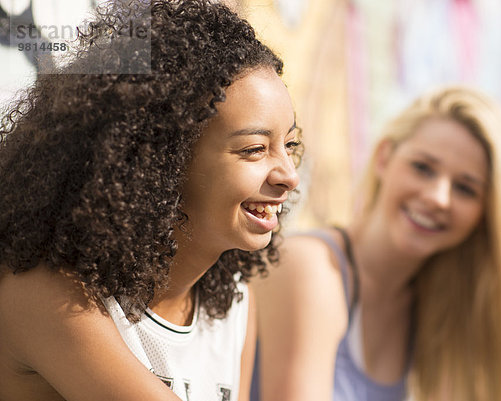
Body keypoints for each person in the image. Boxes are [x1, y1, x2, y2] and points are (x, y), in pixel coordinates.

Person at [0, 1, 301, 400]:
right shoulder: (50, 296)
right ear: (162, 157)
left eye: (291, 144)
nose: (288, 176)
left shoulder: (232, 300)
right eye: (254, 149)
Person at [251, 86, 501, 401]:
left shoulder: (439, 310)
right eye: (422, 168)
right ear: (384, 158)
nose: (437, 197)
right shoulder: (313, 268)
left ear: (485, 214)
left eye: (465, 189)